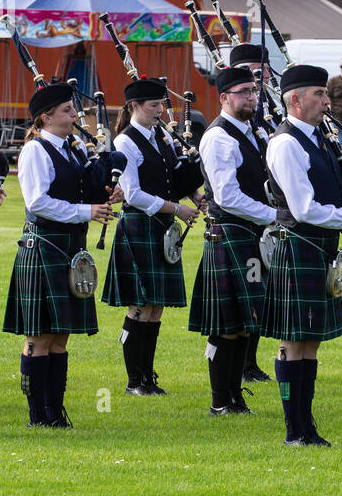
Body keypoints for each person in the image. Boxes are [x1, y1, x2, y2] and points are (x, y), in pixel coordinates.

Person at [261, 64, 342, 446]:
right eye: (319, 94)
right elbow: (303, 207)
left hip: (320, 249)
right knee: (293, 340)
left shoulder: (319, 136)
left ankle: (307, 425)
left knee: (311, 339)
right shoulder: (285, 143)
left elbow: (333, 180)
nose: (327, 100)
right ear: (295, 100)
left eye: (326, 93)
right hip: (299, 246)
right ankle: (293, 430)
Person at [4, 84, 121, 428]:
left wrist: (108, 194)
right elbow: (37, 202)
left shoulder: (73, 149)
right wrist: (87, 210)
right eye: (68, 111)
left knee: (60, 335)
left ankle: (55, 412)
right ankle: (37, 414)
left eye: (74, 110)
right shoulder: (35, 151)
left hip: (70, 247)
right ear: (46, 117)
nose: (76, 116)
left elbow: (80, 189)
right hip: (44, 245)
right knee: (39, 336)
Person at [189, 66, 277, 416]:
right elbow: (227, 196)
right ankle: (220, 401)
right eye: (243, 92)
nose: (251, 97)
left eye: (253, 91)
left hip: (252, 237)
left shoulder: (255, 133)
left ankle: (235, 396)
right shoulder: (218, 137)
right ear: (224, 97)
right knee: (226, 325)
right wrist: (274, 215)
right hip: (230, 235)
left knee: (245, 322)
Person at [101, 77, 198, 397]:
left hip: (161, 228)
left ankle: (148, 377)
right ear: (134, 107)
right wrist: (176, 208)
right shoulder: (125, 142)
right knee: (140, 307)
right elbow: (133, 193)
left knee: (155, 307)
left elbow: (171, 174)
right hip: (139, 225)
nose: (160, 110)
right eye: (153, 105)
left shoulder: (161, 135)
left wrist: (195, 195)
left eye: (161, 104)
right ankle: (134, 380)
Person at [224, 43, 275, 380]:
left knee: (257, 297)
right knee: (234, 309)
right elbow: (227, 194)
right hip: (240, 229)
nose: (258, 85)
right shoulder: (223, 134)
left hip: (259, 224)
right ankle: (233, 374)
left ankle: (249, 364)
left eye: (261, 74)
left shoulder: (265, 117)